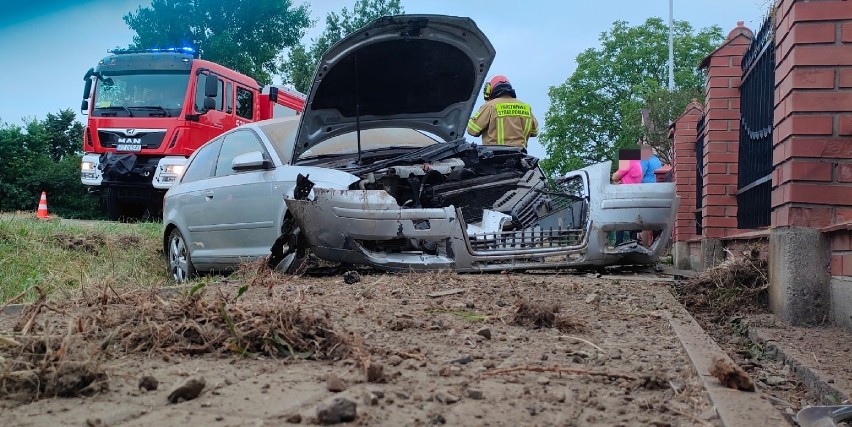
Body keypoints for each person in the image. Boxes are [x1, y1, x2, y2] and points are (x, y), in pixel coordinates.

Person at [467, 75, 539, 149]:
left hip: (495, 156)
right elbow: (535, 131)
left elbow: (472, 130)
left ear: (489, 89)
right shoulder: (526, 107)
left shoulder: (490, 106)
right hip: (520, 155)